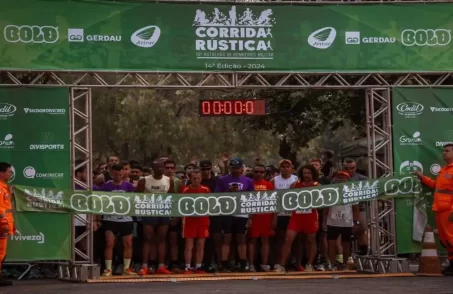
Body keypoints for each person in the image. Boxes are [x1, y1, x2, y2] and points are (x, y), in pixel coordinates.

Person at [414, 143, 453, 275]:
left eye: (447, 151)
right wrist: (422, 177)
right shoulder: (445, 170)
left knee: (451, 238)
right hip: (441, 209)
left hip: (449, 210)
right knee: (445, 240)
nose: (444, 153)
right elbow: (437, 186)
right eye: (443, 151)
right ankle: (452, 264)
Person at [274, 165, 320, 272]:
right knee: (288, 239)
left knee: (311, 240)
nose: (306, 175)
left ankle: (309, 264)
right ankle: (282, 265)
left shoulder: (317, 185)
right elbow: (288, 198)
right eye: (304, 173)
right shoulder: (295, 185)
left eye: (308, 173)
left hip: (311, 215)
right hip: (296, 216)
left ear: (313, 174)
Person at [215, 158, 254, 272]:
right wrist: (228, 191)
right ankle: (224, 264)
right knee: (226, 238)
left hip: (242, 214)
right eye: (233, 168)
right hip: (227, 213)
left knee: (241, 238)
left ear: (242, 168)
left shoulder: (248, 181)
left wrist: (250, 217)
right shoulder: (222, 180)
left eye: (238, 168)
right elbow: (216, 196)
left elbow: (253, 199)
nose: (236, 170)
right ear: (230, 168)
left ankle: (243, 263)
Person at [97, 164, 137, 277]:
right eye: (115, 175)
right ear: (111, 174)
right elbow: (100, 201)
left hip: (126, 219)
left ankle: (126, 268)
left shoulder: (129, 186)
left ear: (123, 174)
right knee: (109, 243)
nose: (118, 177)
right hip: (110, 219)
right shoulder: (106, 186)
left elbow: (133, 201)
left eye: (120, 175)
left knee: (128, 244)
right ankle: (108, 269)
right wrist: (98, 217)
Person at [136, 161, 173, 275]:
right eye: (157, 167)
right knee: (148, 239)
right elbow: (137, 196)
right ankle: (145, 266)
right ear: (152, 168)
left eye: (161, 167)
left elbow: (171, 196)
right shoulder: (144, 180)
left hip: (163, 212)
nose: (159, 169)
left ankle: (161, 266)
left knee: (162, 239)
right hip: (149, 212)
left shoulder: (168, 180)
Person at [323, 171, 360, 271]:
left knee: (346, 244)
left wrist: (356, 222)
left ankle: (344, 264)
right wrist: (324, 220)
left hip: (347, 222)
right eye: (338, 177)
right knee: (331, 243)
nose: (340, 179)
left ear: (347, 179)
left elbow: (356, 208)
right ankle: (332, 264)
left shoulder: (352, 191)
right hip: (332, 221)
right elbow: (326, 207)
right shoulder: (330, 191)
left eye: (343, 177)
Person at [270, 159, 299, 270]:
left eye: (288, 166)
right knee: (280, 239)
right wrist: (274, 216)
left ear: (292, 168)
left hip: (294, 214)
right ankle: (279, 263)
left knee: (294, 240)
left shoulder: (296, 179)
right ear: (279, 168)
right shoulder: (274, 180)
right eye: (283, 166)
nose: (285, 168)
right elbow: (272, 199)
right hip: (280, 213)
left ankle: (295, 262)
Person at [181, 169, 210, 274]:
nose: (196, 180)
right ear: (190, 178)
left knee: (201, 244)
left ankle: (198, 266)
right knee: (189, 244)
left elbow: (210, 204)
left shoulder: (206, 189)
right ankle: (187, 267)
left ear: (201, 178)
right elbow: (181, 205)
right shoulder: (185, 190)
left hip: (203, 220)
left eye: (198, 178)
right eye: (194, 178)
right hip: (189, 220)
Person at [248, 164, 275, 272]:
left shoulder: (269, 185)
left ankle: (264, 264)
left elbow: (274, 202)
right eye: (256, 171)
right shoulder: (249, 184)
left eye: (261, 172)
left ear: (265, 173)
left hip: (266, 216)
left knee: (265, 240)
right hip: (253, 217)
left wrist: (274, 218)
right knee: (252, 241)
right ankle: (251, 265)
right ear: (253, 172)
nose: (259, 174)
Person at [342, 158, 368, 256]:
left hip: (359, 208)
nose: (350, 170)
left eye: (352, 168)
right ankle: (345, 255)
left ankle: (364, 251)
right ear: (343, 167)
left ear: (356, 167)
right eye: (347, 168)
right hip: (342, 209)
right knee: (343, 233)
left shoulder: (363, 179)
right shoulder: (337, 178)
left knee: (361, 229)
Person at [163, 159, 184, 273]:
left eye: (172, 168)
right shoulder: (157, 180)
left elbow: (180, 200)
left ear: (175, 169)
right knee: (160, 239)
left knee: (173, 239)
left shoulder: (178, 182)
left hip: (173, 214)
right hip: (160, 213)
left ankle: (174, 263)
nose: (169, 170)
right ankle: (161, 263)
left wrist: (177, 216)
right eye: (167, 168)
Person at [310, 158, 329, 271]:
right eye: (312, 165)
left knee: (322, 236)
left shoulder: (325, 181)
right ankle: (311, 260)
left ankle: (323, 259)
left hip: (321, 211)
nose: (314, 167)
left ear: (320, 167)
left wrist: (326, 217)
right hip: (308, 212)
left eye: (316, 165)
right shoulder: (304, 180)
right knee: (310, 237)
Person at [0, 162, 14, 286]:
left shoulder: (4, 186)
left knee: (2, 253)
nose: (11, 174)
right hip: (1, 224)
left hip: (5, 223)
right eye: (9, 171)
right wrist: (3, 223)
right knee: (1, 252)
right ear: (1, 173)